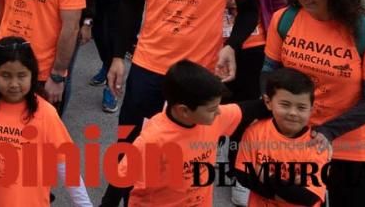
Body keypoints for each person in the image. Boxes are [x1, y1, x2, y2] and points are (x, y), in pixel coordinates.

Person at [100, 0, 259, 205]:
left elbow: (249, 10)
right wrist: (117, 56)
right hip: (149, 65)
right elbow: (131, 3)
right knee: (130, 145)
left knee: (192, 154)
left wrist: (231, 46)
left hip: (200, 73)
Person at [263, 0, 365, 205]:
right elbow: (269, 73)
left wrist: (328, 131)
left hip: (352, 150)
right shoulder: (284, 20)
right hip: (295, 142)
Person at [112, 60, 263, 207]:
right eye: (212, 109)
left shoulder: (211, 119)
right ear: (184, 110)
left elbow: (248, 109)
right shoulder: (154, 139)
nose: (218, 112)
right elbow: (121, 181)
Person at [0, 37, 93, 206]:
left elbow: (66, 165)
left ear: (32, 75)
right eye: (5, 75)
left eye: (21, 76)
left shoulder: (46, 114)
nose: (14, 84)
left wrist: (85, 205)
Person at [232, 68, 329, 207]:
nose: (293, 113)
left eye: (301, 107)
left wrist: (266, 176)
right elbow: (243, 176)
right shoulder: (255, 132)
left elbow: (309, 197)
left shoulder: (316, 143)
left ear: (311, 109)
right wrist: (286, 187)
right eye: (285, 105)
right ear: (268, 102)